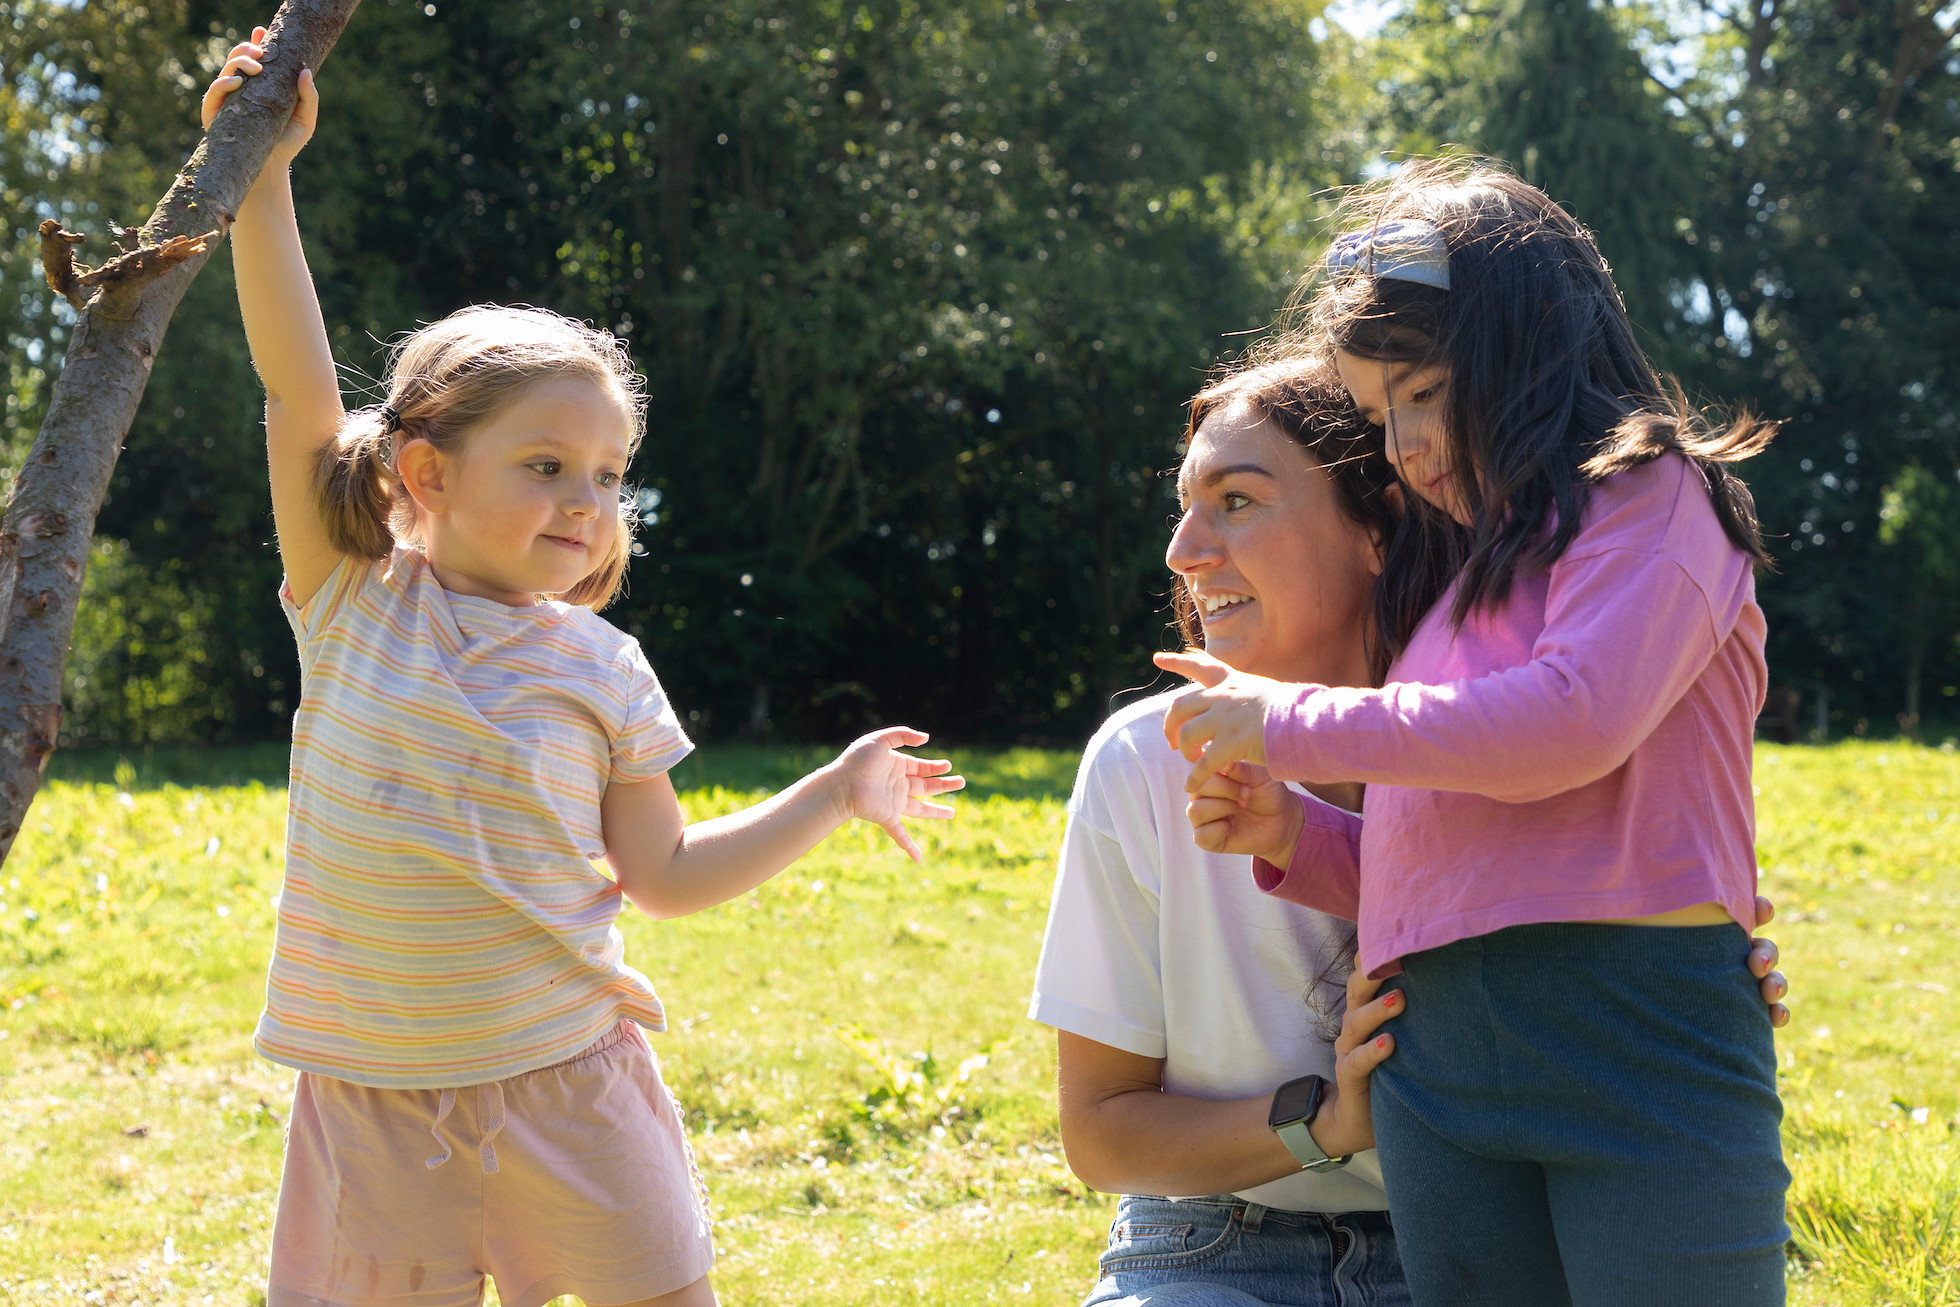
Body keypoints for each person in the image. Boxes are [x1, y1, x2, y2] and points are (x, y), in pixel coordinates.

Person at [203, 37, 961, 1307]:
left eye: (608, 473)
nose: (587, 498)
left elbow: (660, 877)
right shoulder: (352, 601)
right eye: (546, 464)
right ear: (428, 472)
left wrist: (830, 792)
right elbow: (295, 391)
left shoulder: (605, 667)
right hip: (372, 1104)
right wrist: (264, 171)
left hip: (569, 1084)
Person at [1159, 162, 1790, 1305]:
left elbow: (1567, 726)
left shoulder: (1654, 503)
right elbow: (1450, 852)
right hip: (1434, 1063)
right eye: (1375, 411)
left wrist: (1288, 722)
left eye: (1424, 391)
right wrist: (1293, 831)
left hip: (1637, 1042)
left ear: (1536, 345)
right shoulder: (1454, 591)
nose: (1398, 442)